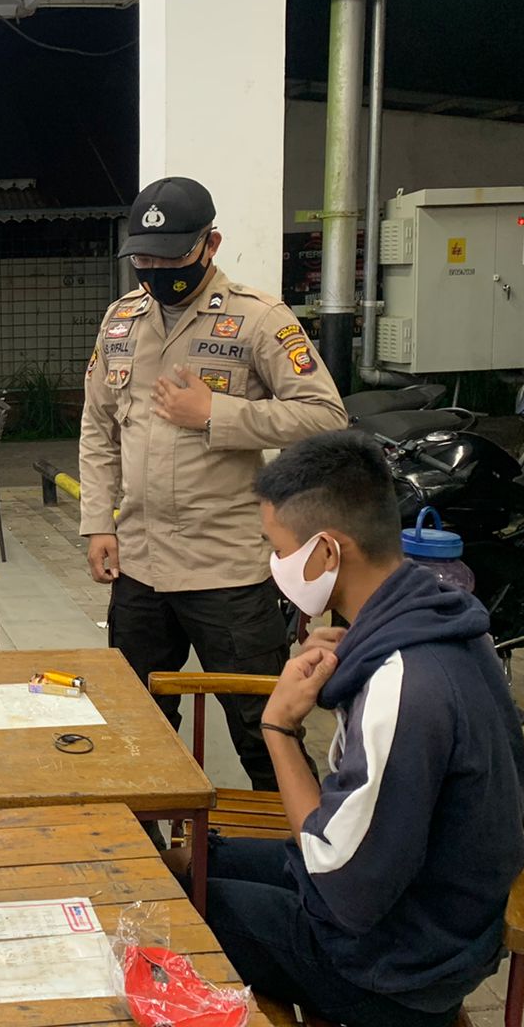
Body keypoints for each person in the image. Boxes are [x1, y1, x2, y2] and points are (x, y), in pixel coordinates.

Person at [199, 431, 524, 1026]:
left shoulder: (405, 685)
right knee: (194, 858)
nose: (274, 565)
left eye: (278, 548)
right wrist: (354, 652)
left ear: (328, 551)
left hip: (394, 970)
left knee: (183, 900)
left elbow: (341, 883)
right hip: (418, 910)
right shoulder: (436, 617)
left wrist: (278, 728)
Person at [80, 176, 347, 788]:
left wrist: (217, 415)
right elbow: (98, 427)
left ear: (211, 244)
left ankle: (295, 840)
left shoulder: (259, 319)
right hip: (140, 566)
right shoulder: (121, 321)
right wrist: (97, 522)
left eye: (171, 257)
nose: (156, 271)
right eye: (145, 259)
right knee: (134, 726)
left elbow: (325, 416)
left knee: (264, 729)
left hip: (227, 570)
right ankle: (148, 838)